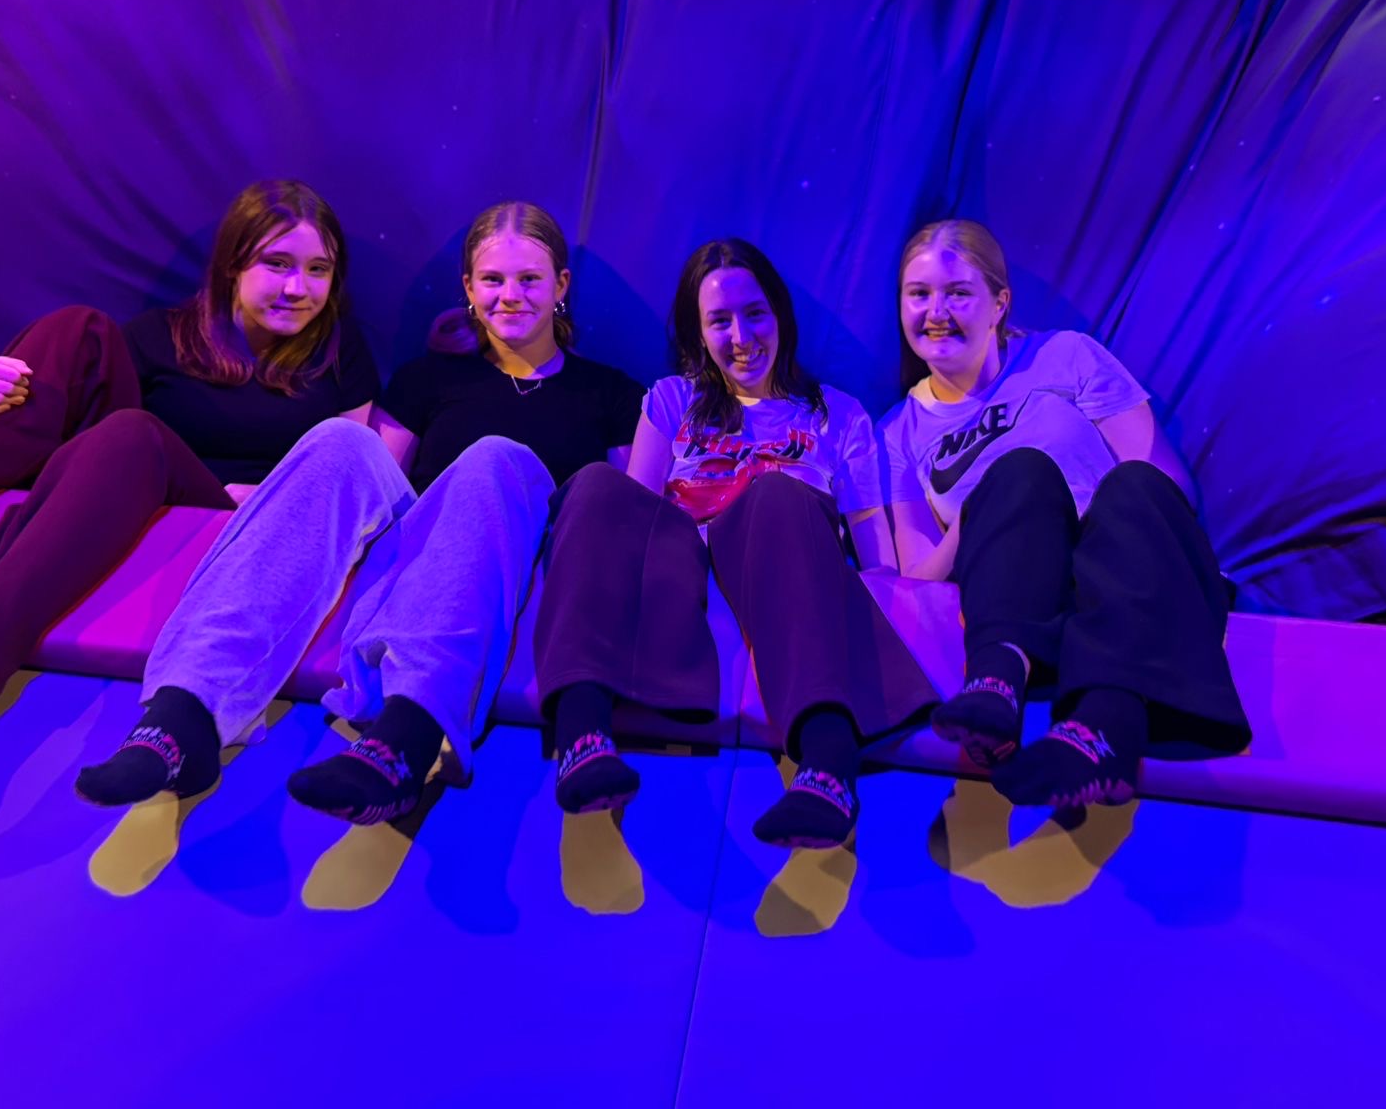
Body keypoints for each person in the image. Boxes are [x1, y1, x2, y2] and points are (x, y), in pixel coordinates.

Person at [75, 201, 645, 827]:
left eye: (529, 279)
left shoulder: (612, 393)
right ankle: (183, 712)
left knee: (493, 459)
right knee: (340, 440)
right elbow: (378, 491)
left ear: (561, 286)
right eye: (492, 279)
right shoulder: (427, 379)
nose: (510, 296)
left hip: (511, 563)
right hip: (418, 558)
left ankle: (408, 737)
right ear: (468, 288)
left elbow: (616, 511)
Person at [0, 180, 378, 738]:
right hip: (136, 496)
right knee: (79, 330)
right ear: (233, 264)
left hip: (237, 529)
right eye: (277, 263)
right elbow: (66, 426)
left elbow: (352, 480)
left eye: (318, 270)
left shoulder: (339, 352)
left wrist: (274, 498)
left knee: (134, 431)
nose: (298, 288)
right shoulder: (161, 336)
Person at [531, 239, 936, 850]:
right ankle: (582, 737)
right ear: (698, 333)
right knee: (594, 484)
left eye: (754, 314)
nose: (741, 336)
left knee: (775, 493)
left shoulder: (839, 415)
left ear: (781, 316)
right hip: (682, 575)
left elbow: (876, 557)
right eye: (720, 321)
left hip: (782, 569)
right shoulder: (671, 400)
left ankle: (829, 764)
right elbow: (630, 520)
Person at [881, 219, 1251, 810]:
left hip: (1119, 583)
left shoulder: (1064, 356)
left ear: (999, 303)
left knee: (1134, 485)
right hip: (1019, 599)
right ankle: (996, 684)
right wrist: (976, 513)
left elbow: (1166, 484)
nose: (937, 312)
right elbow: (918, 575)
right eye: (919, 294)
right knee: (1018, 473)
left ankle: (1101, 729)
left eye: (958, 293)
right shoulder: (897, 433)